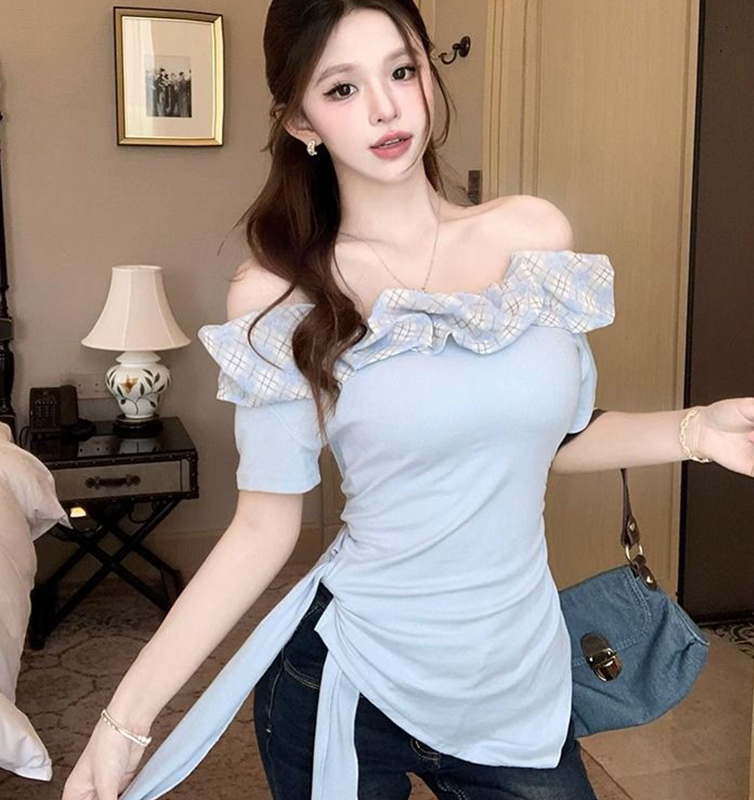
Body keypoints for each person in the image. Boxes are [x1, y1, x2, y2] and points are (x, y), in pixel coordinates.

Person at [62, 1, 752, 799]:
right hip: (348, 676)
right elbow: (261, 527)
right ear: (300, 121)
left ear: (429, 69)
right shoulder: (280, 294)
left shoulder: (533, 240)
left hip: (514, 686)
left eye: (401, 70)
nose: (386, 108)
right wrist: (122, 723)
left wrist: (700, 430)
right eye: (342, 88)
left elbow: (557, 439)